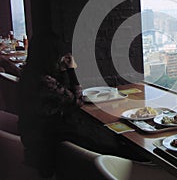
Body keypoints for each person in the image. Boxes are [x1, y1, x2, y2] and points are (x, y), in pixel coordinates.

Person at [18, 31, 148, 179]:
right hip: (49, 142)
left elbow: (64, 99)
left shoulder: (30, 73)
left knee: (100, 135)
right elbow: (77, 101)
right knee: (113, 146)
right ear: (51, 56)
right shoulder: (44, 82)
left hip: (39, 135)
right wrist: (71, 69)